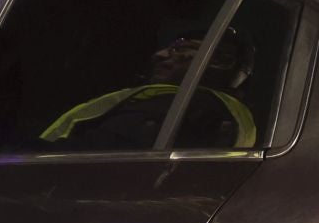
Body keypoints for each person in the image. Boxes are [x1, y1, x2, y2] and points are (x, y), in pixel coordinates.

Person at [40, 27, 256, 149]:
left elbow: (87, 156)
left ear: (219, 61)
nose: (160, 55)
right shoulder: (214, 112)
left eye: (179, 48)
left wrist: (14, 150)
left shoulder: (180, 108)